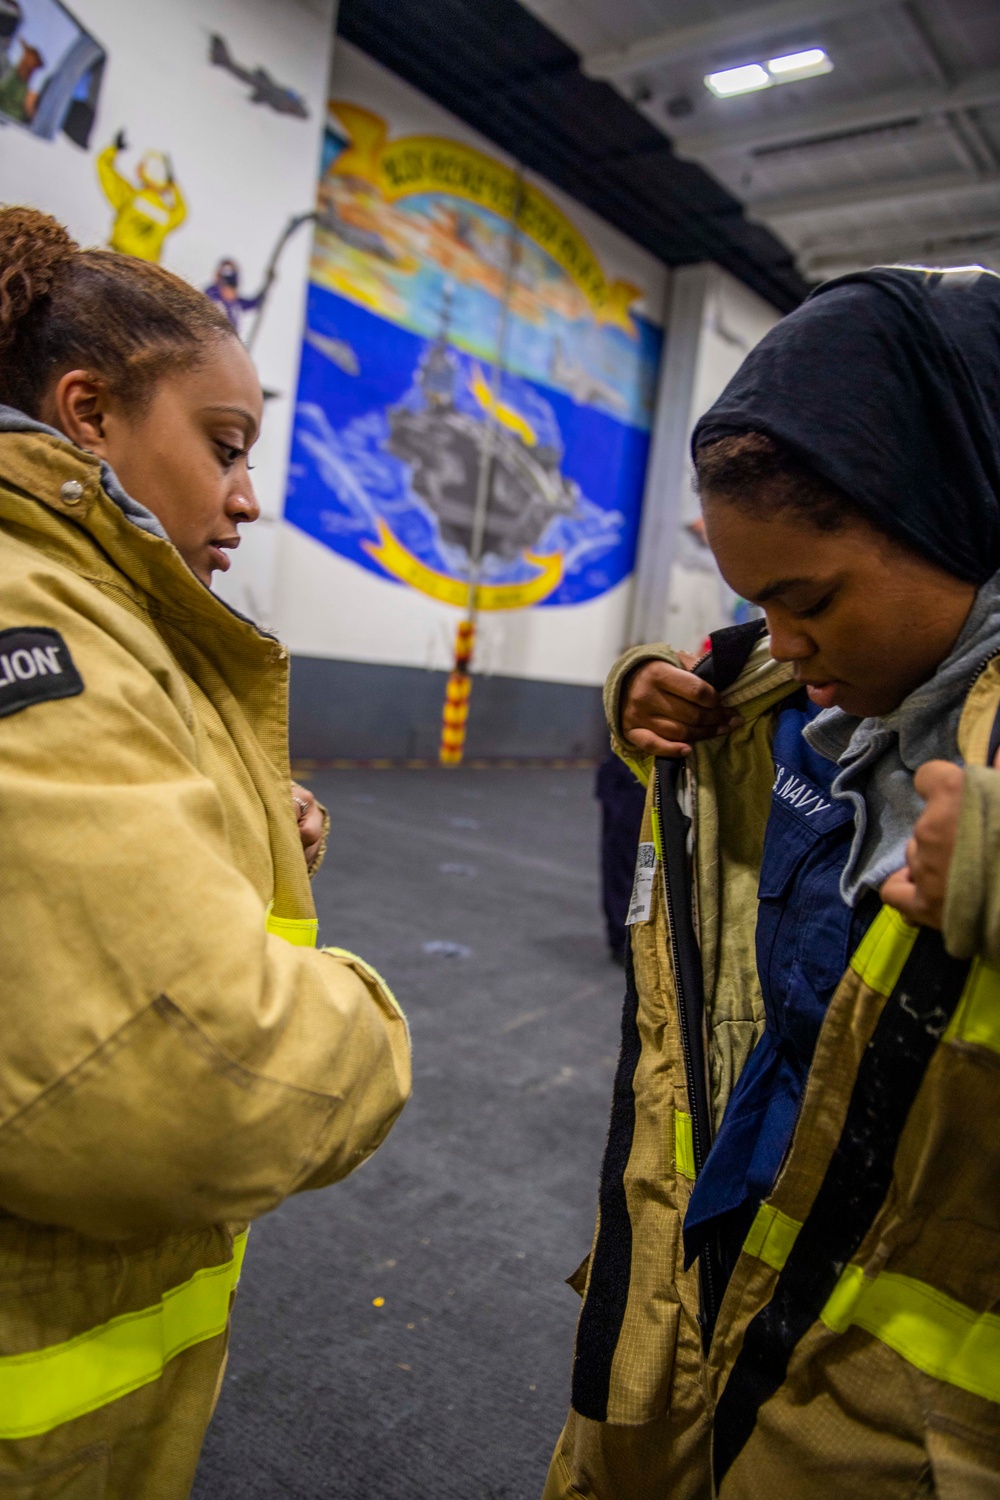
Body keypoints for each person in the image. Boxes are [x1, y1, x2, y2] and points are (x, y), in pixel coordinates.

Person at [543, 265, 1000, 1500]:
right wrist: (647, 693)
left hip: (891, 1414)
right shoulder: (801, 700)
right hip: (724, 1259)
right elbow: (725, 722)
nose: (785, 647)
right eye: (756, 605)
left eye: (808, 601)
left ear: (952, 512)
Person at [0, 207, 410, 1498]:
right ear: (87, 412)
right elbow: (181, 1082)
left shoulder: (105, 616)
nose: (246, 494)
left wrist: (238, 837)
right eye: (224, 445)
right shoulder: (30, 609)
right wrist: (362, 1028)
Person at [96, 130, 187, 263]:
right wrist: (173, 185)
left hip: (114, 261)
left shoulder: (129, 197)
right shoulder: (169, 216)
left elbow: (104, 168)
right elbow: (183, 212)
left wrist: (114, 148)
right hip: (142, 273)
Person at [204, 257, 267, 337]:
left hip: (231, 343)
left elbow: (254, 304)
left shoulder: (236, 303)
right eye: (227, 288)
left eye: (233, 288)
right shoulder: (213, 296)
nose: (230, 292)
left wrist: (265, 291)